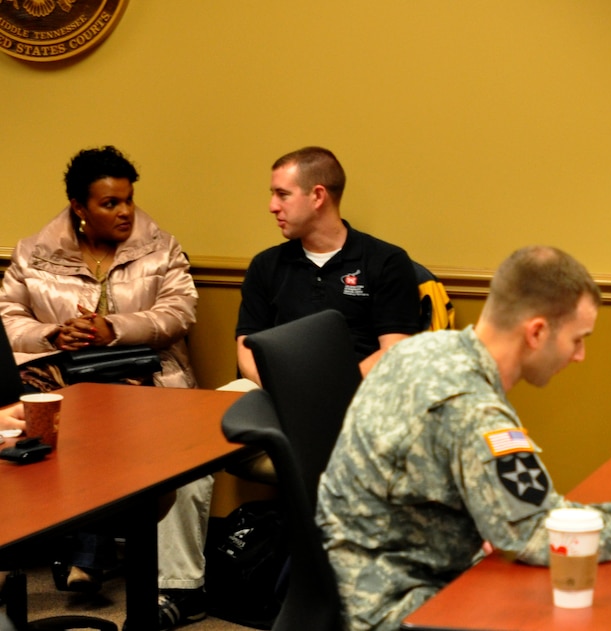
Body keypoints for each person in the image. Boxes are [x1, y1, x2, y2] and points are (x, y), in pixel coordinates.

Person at [317, 246, 611, 631]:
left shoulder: (419, 349)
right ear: (537, 332)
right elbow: (537, 534)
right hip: (400, 604)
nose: (579, 356)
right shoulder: (474, 408)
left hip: (360, 575)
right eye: (577, 339)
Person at [0, 146, 206, 630]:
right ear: (79, 207)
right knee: (66, 422)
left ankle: (90, 555)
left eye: (128, 200)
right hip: (64, 377)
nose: (125, 212)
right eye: (110, 203)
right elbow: (8, 320)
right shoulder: (34, 253)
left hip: (148, 378)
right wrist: (54, 334)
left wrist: (112, 328)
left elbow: (180, 312)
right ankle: (77, 552)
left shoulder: (161, 248)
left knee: (109, 417)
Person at [235, 146, 420, 385]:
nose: (272, 206)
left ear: (318, 196)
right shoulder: (265, 265)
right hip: (277, 389)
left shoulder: (386, 262)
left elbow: (394, 350)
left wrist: (336, 391)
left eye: (283, 194)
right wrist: (277, 387)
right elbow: (246, 346)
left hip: (361, 392)